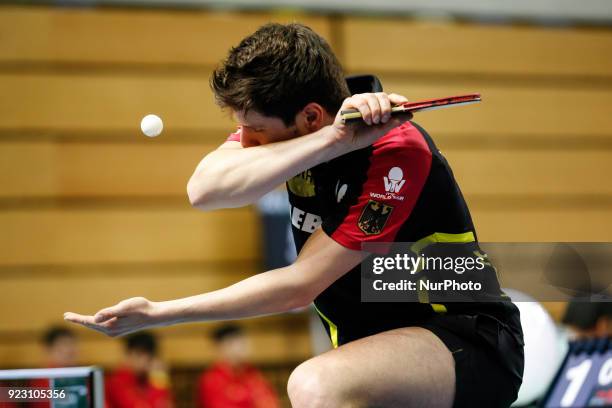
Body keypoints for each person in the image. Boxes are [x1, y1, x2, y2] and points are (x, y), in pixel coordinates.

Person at [65, 23, 524, 407]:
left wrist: (157, 313)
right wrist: (330, 142)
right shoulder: (306, 139)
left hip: (466, 338)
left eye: (256, 129)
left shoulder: (396, 153)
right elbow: (204, 190)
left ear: (309, 115)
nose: (245, 142)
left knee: (316, 385)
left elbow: (298, 287)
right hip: (373, 343)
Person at [197, 324, 279, 408]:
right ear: (220, 347)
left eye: (243, 342)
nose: (241, 347)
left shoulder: (254, 374)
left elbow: (270, 402)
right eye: (232, 343)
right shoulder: (212, 379)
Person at [105, 332, 174, 408]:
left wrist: (159, 379)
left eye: (149, 356)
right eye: (139, 355)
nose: (144, 360)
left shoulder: (150, 380)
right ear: (128, 354)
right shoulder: (116, 383)